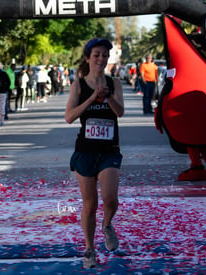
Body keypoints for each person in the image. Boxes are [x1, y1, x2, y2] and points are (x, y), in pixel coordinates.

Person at [65, 38, 124, 269]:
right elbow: (69, 117)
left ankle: (107, 225)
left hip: (109, 150)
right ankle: (89, 249)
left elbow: (120, 112)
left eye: (105, 55)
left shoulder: (114, 82)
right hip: (86, 151)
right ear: (88, 58)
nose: (101, 59)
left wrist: (107, 95)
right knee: (90, 205)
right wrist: (92, 98)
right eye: (97, 55)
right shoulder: (78, 85)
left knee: (111, 200)